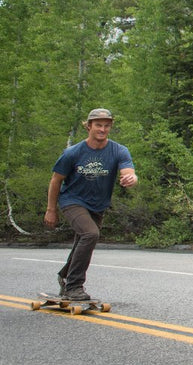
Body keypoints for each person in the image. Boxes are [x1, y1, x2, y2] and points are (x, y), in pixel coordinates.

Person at [45, 108, 138, 300]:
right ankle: (74, 286)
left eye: (106, 126)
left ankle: (64, 276)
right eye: (98, 125)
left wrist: (131, 178)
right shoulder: (73, 153)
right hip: (72, 200)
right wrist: (51, 210)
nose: (102, 129)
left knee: (83, 240)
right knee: (90, 234)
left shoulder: (119, 150)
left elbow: (128, 171)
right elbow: (56, 180)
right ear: (89, 126)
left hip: (98, 205)